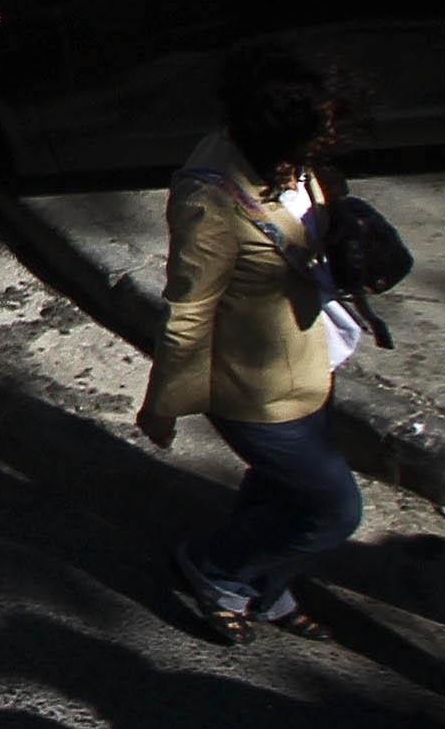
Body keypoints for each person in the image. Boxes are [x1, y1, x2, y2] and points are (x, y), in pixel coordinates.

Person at [142, 42, 372, 645]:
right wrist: (164, 403)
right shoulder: (212, 200)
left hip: (316, 359)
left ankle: (262, 586)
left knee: (281, 491)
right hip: (260, 393)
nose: (332, 135)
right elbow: (190, 312)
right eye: (322, 123)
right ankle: (217, 569)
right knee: (333, 511)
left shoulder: (289, 165)